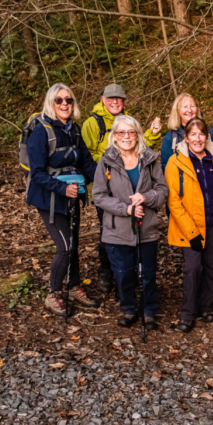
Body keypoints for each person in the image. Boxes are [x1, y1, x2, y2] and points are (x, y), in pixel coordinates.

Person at [82, 83, 163, 294]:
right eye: (111, 98)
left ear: (124, 101)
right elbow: (85, 154)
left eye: (119, 98)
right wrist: (103, 174)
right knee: (110, 231)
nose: (115, 101)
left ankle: (129, 279)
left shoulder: (128, 121)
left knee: (134, 233)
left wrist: (152, 134)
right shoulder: (93, 123)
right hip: (108, 186)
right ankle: (107, 273)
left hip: (131, 186)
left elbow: (140, 145)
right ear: (103, 99)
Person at [26, 83, 99, 316]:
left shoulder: (74, 130)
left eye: (68, 100)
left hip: (72, 196)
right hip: (48, 199)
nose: (65, 104)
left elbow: (86, 162)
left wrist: (109, 179)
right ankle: (53, 294)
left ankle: (74, 287)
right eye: (59, 100)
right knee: (65, 246)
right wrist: (61, 188)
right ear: (51, 103)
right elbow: (36, 173)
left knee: (73, 244)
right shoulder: (41, 132)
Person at [92, 115, 168, 330]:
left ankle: (149, 311)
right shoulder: (106, 162)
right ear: (114, 136)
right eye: (121, 132)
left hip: (147, 228)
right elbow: (99, 196)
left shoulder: (150, 159)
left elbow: (162, 191)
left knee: (148, 273)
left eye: (131, 132)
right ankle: (129, 308)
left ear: (138, 134)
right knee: (123, 273)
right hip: (117, 230)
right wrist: (125, 209)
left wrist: (146, 197)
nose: (127, 137)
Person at [165, 118, 213, 333]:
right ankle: (188, 312)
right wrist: (191, 231)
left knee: (212, 267)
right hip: (189, 226)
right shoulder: (176, 163)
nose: (198, 138)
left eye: (201, 134)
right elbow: (173, 201)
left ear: (207, 137)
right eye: (193, 134)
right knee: (193, 268)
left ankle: (205, 306)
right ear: (186, 137)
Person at [160, 93, 213, 172]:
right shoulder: (170, 139)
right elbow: (167, 170)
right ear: (177, 110)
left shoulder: (210, 132)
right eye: (185, 107)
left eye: (192, 106)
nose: (189, 110)